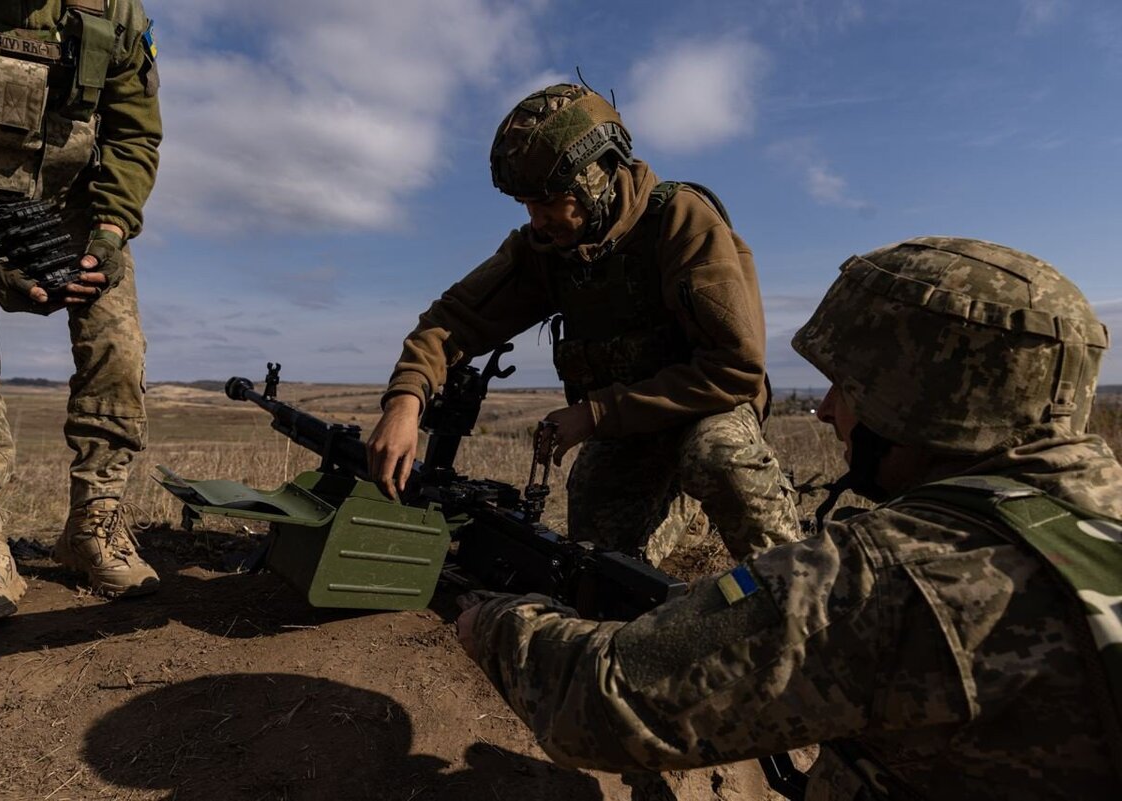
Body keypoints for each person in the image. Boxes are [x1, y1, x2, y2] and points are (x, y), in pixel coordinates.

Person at [457, 237, 1122, 799]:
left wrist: (489, 615)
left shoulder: (886, 576)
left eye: (850, 385)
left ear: (926, 400)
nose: (828, 409)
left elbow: (599, 697)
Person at [367, 83, 799, 568]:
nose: (537, 220)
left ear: (597, 177)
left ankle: (797, 594)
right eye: (527, 205)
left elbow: (735, 370)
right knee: (599, 570)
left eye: (549, 201)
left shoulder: (682, 223)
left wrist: (594, 415)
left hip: (708, 409)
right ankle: (679, 506)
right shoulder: (547, 249)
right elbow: (453, 320)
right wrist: (406, 399)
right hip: (629, 428)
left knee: (716, 456)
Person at [0, 0, 162, 637]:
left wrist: (110, 233)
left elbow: (133, 134)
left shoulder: (112, 11)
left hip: (73, 203)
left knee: (118, 349)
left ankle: (95, 523)